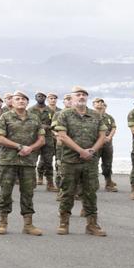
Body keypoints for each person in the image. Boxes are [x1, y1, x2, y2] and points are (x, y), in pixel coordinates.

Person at [52, 86, 107, 236]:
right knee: (67, 192)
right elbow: (62, 136)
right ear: (72, 98)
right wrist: (80, 151)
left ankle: (92, 224)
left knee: (90, 193)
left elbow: (103, 136)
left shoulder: (96, 115)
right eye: (78, 95)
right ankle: (64, 223)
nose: (81, 97)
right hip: (70, 160)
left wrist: (93, 150)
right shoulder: (65, 114)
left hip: (90, 161)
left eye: (84, 95)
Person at [0, 91, 45, 235]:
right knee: (5, 192)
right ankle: (3, 223)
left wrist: (30, 148)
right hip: (8, 161)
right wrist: (19, 146)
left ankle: (28, 225)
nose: (21, 101)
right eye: (17, 99)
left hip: (28, 161)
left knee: (28, 193)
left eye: (24, 99)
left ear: (27, 102)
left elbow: (42, 139)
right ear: (12, 102)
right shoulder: (5, 117)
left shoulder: (35, 118)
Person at [93, 98, 118, 192]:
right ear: (93, 104)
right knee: (93, 163)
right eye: (97, 102)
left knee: (107, 163)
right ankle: (93, 183)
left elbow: (113, 128)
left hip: (107, 143)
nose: (100, 103)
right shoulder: (91, 115)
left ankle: (108, 183)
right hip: (95, 143)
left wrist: (109, 137)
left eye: (101, 102)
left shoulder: (109, 117)